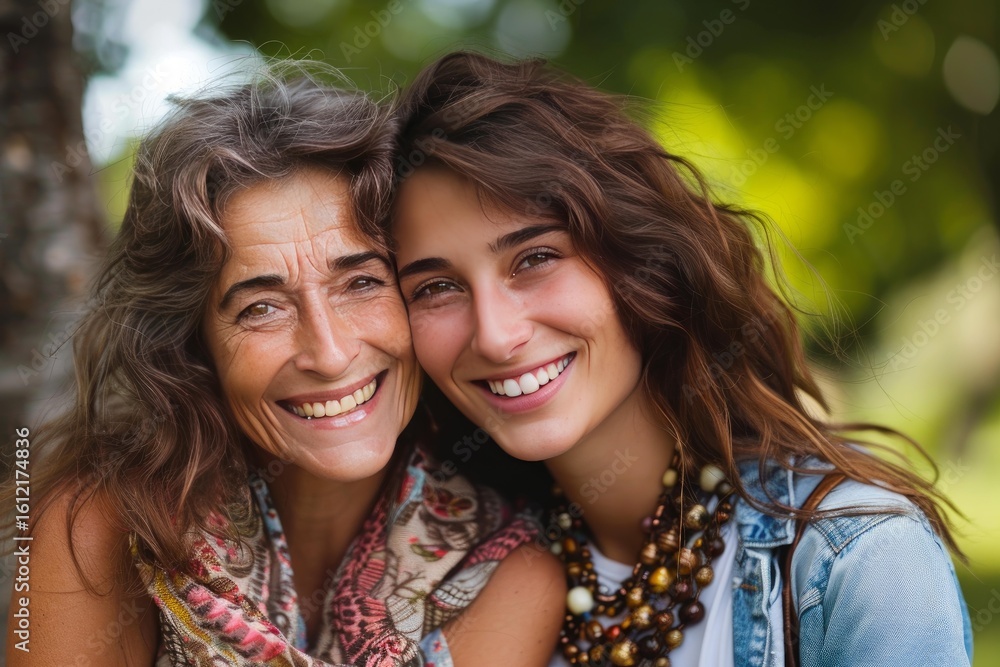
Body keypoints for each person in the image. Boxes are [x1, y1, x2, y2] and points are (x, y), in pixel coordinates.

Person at [389, 51, 973, 667]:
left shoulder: (859, 563)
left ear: (641, 264)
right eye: (435, 287)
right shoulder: (445, 581)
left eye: (535, 258)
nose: (495, 335)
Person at [2, 61, 564, 666]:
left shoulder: (505, 569)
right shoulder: (100, 525)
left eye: (361, 283)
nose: (329, 353)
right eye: (261, 308)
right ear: (190, 347)